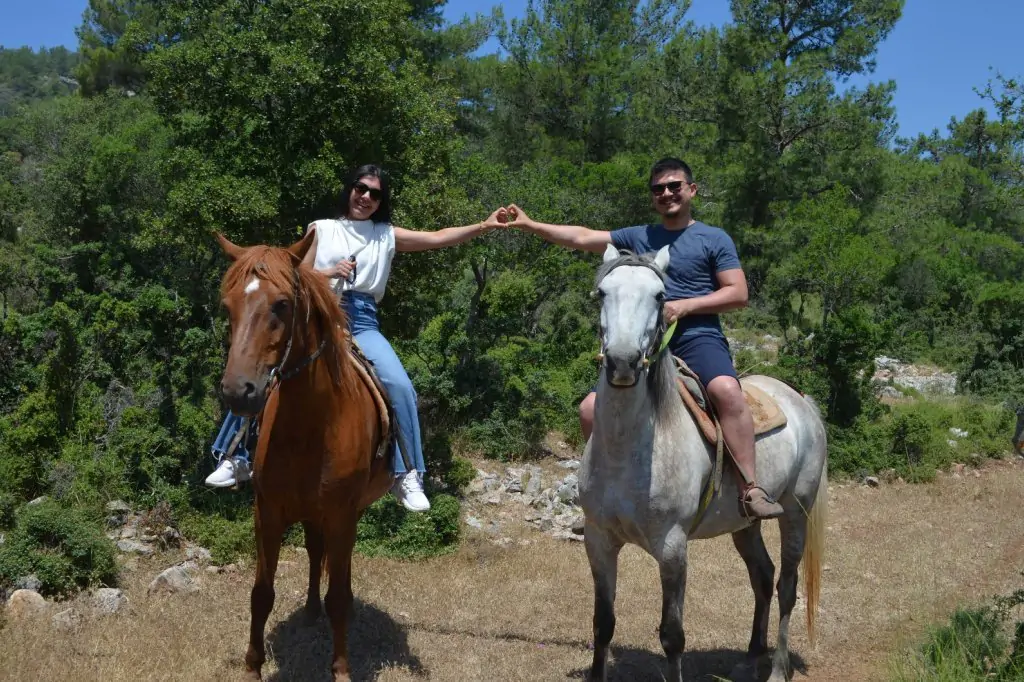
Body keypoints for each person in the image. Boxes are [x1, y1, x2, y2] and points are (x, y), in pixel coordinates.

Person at [206, 164, 505, 512]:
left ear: (381, 201)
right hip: (320, 316)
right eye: (360, 189)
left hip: (363, 322)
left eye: (375, 194)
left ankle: (407, 473)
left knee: (400, 384)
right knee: (265, 368)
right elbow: (295, 276)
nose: (366, 197)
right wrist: (330, 272)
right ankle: (235, 455)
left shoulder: (386, 235)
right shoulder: (322, 230)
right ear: (349, 190)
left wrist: (483, 225)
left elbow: (438, 237)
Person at [502, 157, 784, 519]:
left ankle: (750, 488)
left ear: (691, 190)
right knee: (589, 409)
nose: (667, 193)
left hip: (698, 337)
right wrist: (530, 225)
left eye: (674, 186)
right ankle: (604, 485)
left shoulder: (714, 238)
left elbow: (738, 293)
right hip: (643, 342)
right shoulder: (638, 236)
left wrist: (684, 306)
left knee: (727, 392)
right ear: (652, 197)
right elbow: (582, 236)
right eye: (658, 189)